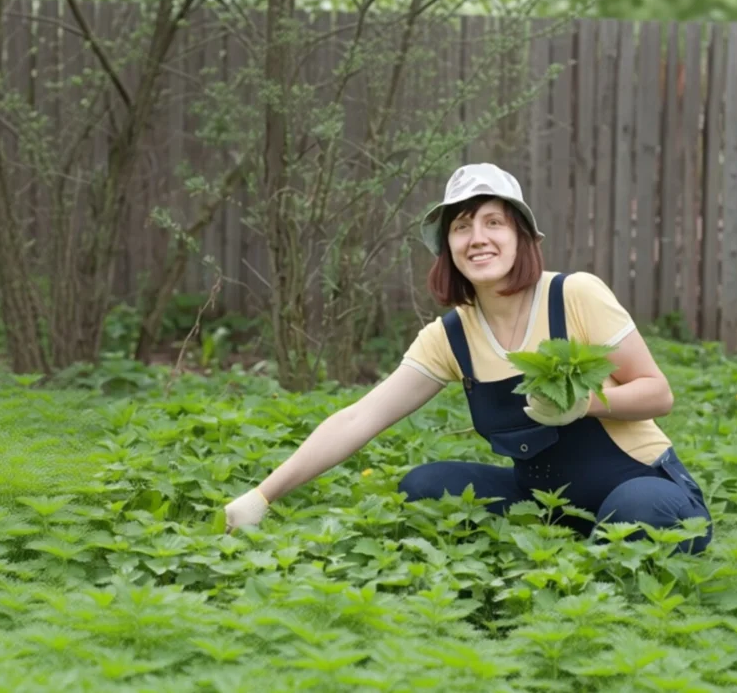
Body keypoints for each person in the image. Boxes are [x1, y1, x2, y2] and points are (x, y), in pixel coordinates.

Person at [222, 163, 712, 552]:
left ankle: (614, 545)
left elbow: (658, 392)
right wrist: (263, 495)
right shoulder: (451, 335)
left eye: (493, 222)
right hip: (546, 507)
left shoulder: (574, 295)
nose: (477, 237)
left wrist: (586, 402)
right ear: (447, 248)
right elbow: (360, 417)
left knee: (640, 511)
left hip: (642, 485)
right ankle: (566, 546)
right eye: (461, 226)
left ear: (522, 236)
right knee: (424, 485)